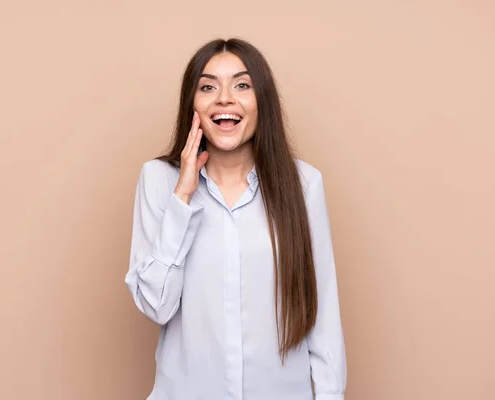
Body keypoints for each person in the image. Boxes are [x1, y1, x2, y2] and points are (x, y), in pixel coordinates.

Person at [125, 38, 346, 400]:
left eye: (242, 85)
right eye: (208, 86)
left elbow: (322, 317)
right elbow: (157, 306)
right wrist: (183, 196)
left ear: (263, 103)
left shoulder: (304, 185)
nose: (224, 98)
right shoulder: (159, 180)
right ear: (192, 106)